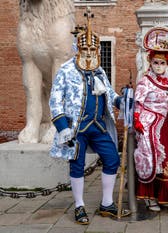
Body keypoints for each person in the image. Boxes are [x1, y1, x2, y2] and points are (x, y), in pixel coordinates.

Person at [49, 10, 130, 225]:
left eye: (92, 49)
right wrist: (62, 127)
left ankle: (106, 203)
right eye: (84, 48)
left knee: (112, 159)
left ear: (97, 49)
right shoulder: (65, 71)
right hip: (76, 128)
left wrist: (121, 101)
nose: (88, 52)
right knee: (77, 165)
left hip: (99, 126)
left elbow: (109, 93)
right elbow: (55, 100)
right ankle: (79, 206)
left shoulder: (99, 71)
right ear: (78, 48)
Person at [133, 27, 168, 212]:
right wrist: (139, 121)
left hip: (167, 125)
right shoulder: (145, 81)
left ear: (167, 64)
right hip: (150, 125)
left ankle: (165, 194)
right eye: (156, 63)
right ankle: (150, 197)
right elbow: (137, 104)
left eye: (162, 63)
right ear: (150, 62)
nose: (159, 66)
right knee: (152, 158)